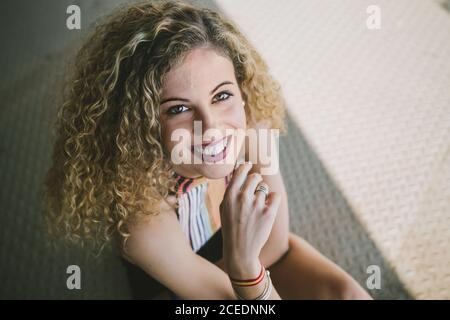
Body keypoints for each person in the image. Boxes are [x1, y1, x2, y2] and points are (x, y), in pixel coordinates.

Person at [42, 0, 371, 300]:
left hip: (247, 255)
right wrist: (245, 267)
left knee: (349, 295)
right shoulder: (141, 218)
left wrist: (249, 267)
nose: (211, 128)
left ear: (241, 91)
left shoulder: (255, 126)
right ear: (143, 124)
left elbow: (276, 243)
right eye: (178, 109)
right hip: (178, 289)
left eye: (222, 96)